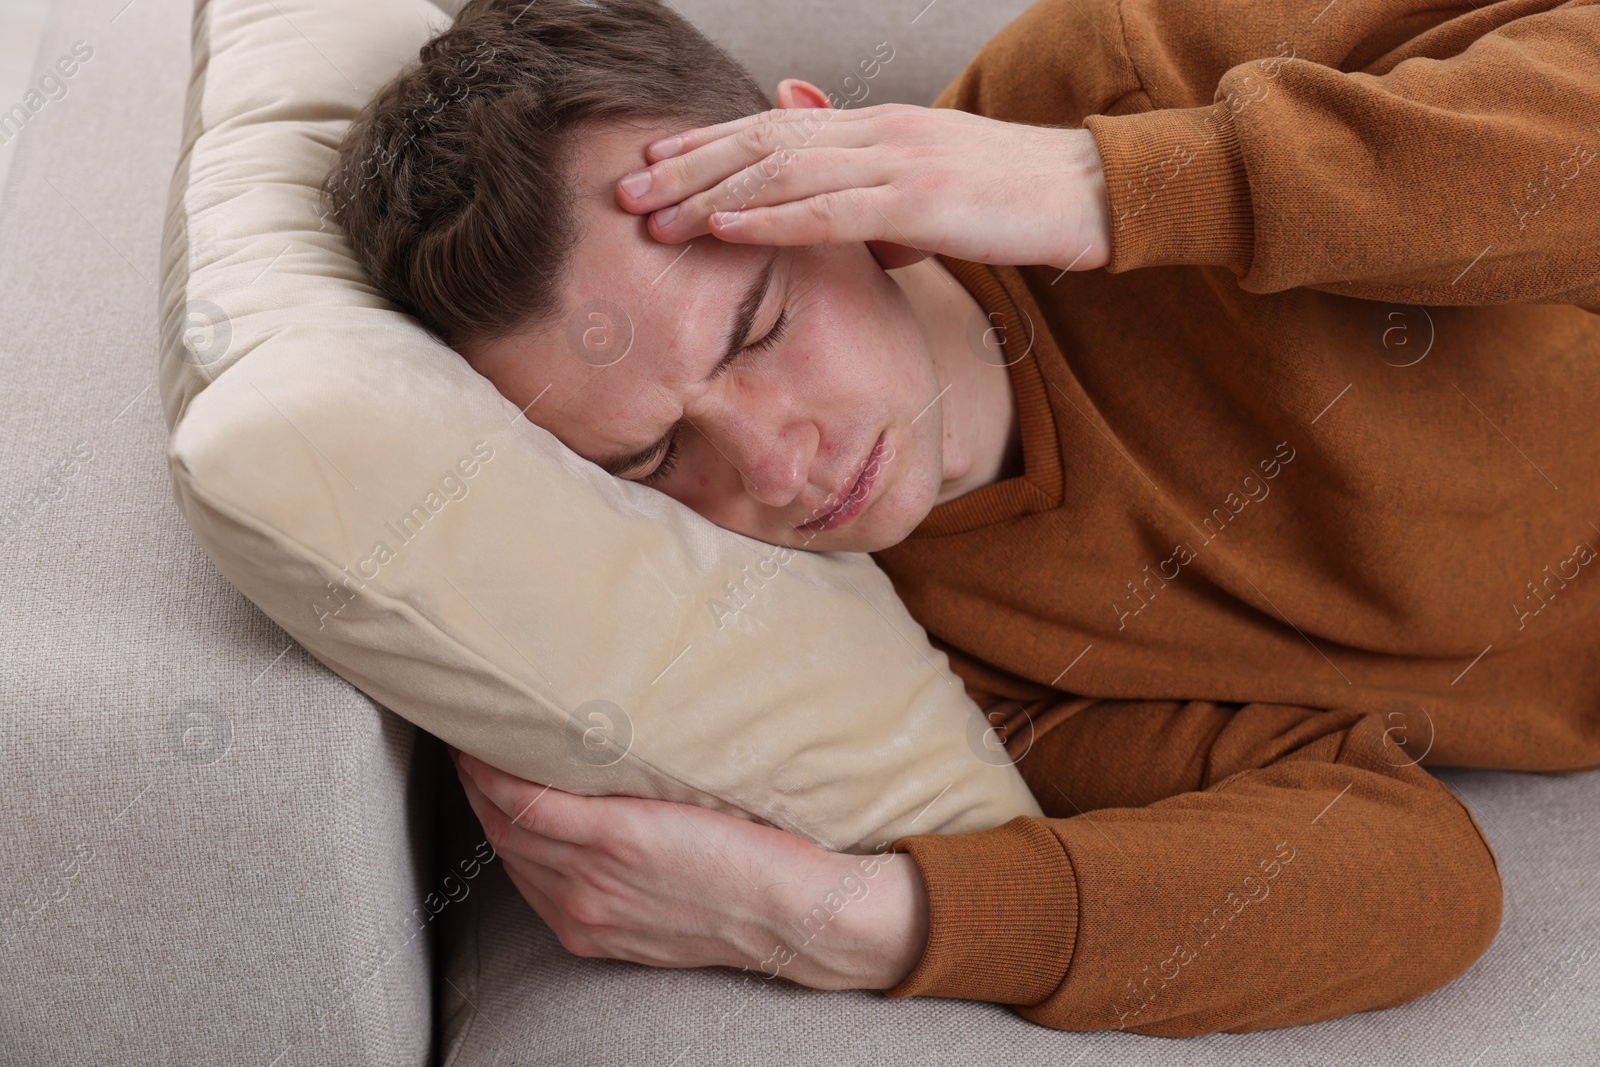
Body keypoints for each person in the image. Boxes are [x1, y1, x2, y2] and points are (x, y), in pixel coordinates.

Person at [325, 0, 1600, 1036]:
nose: (776, 467)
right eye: (654, 454)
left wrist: (1120, 188)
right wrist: (848, 916)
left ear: (817, 160)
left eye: (761, 324)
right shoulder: (923, 652)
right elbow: (1420, 880)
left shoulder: (1109, 76)